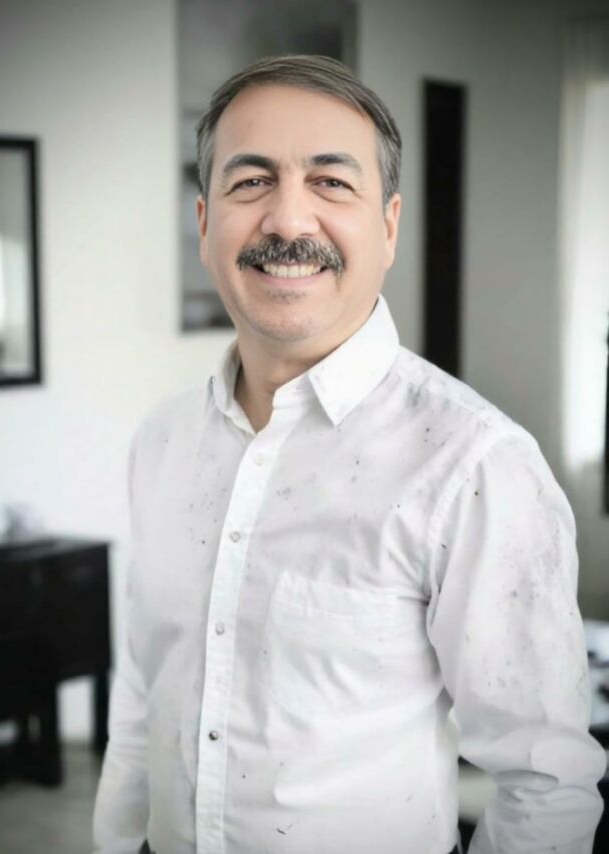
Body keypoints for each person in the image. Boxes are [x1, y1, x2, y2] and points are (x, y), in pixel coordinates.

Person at [93, 55, 605, 854]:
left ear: (389, 226)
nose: (288, 221)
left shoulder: (474, 465)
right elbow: (141, 690)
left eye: (331, 182)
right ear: (204, 224)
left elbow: (546, 782)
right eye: (251, 181)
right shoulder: (162, 441)